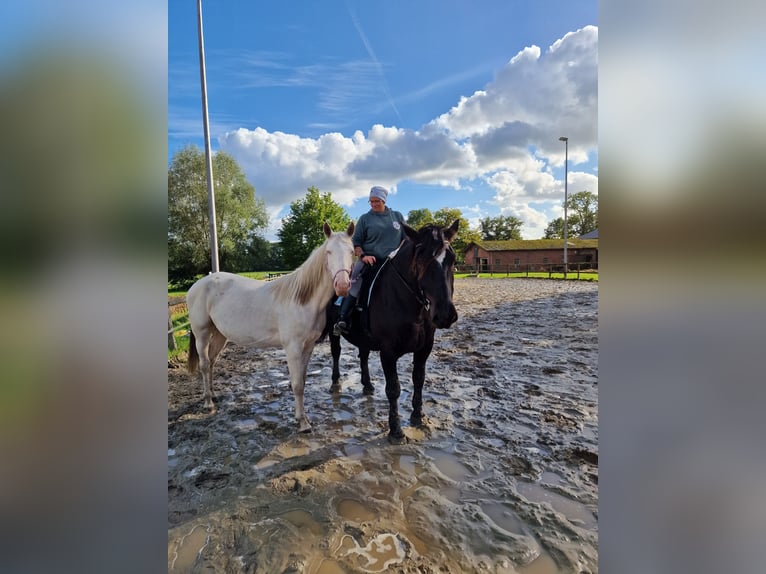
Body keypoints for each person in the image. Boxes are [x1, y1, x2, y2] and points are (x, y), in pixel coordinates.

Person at [333, 185, 405, 335]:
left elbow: (406, 238)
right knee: (355, 283)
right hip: (370, 261)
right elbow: (356, 242)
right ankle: (342, 318)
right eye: (371, 201)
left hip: (394, 262)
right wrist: (363, 256)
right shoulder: (365, 219)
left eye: (376, 201)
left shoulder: (397, 216)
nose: (373, 204)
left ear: (384, 200)